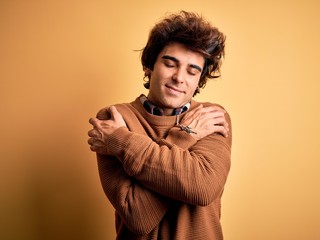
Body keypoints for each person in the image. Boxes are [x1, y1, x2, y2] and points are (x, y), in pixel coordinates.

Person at [87, 11, 232, 240]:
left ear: (198, 82)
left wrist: (122, 141)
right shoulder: (113, 118)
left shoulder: (211, 116)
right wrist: (186, 138)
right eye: (170, 63)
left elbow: (203, 187)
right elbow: (138, 215)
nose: (179, 77)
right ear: (148, 66)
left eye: (192, 71)